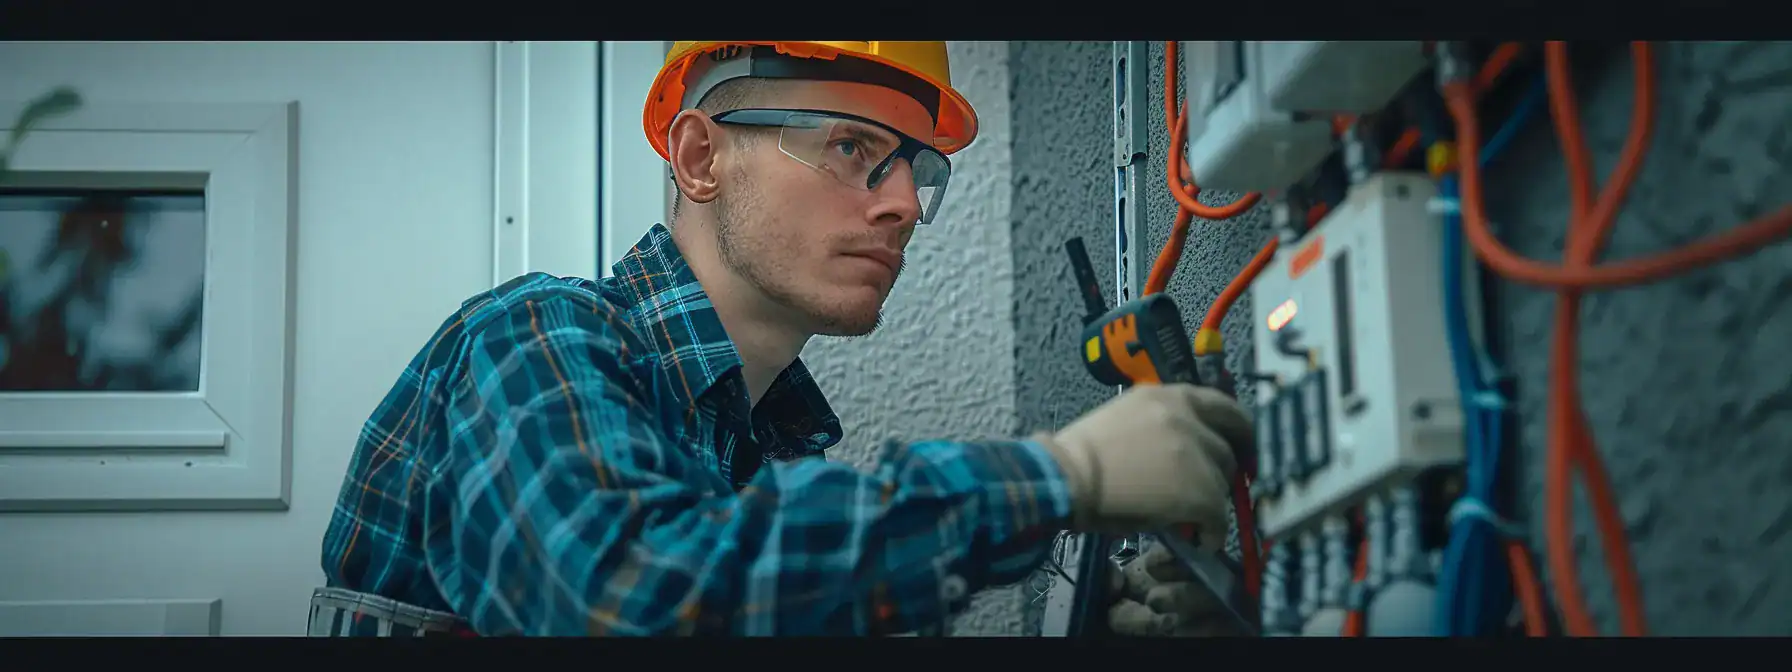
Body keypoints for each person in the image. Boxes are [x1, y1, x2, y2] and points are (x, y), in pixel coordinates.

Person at [315, 40, 1254, 637]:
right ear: (699, 156)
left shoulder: (756, 460)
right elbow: (615, 598)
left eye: (915, 170)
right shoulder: (531, 338)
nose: (901, 206)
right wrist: (1060, 479)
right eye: (851, 146)